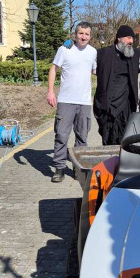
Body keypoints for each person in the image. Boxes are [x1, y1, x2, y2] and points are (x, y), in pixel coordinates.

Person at [47, 22, 97, 182]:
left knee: (82, 138)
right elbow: (53, 69)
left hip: (84, 102)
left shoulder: (93, 52)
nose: (83, 37)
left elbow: (96, 71)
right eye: (80, 33)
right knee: (61, 136)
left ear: (90, 36)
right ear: (75, 34)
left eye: (86, 34)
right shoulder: (64, 49)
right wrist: (50, 91)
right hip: (66, 101)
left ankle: (78, 168)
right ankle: (59, 168)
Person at [93, 26, 140, 145]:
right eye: (128, 37)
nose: (131, 41)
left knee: (124, 136)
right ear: (119, 38)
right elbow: (85, 53)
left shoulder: (135, 54)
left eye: (132, 38)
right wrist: (73, 45)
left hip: (125, 104)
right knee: (107, 136)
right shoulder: (103, 53)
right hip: (107, 105)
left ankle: (123, 156)